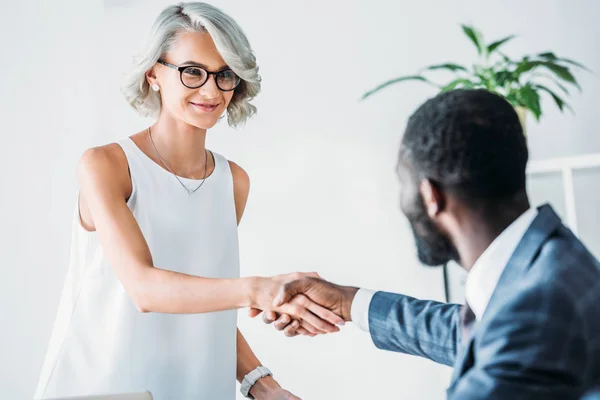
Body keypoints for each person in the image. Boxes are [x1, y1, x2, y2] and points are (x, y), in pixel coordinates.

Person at [34, 3, 343, 399]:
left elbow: (204, 304)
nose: (212, 90)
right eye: (192, 71)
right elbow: (144, 289)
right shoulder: (107, 165)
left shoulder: (233, 182)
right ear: (154, 74)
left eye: (225, 75)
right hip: (103, 389)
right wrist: (258, 289)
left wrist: (264, 387)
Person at [259, 89, 600, 398]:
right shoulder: (551, 258)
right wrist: (349, 302)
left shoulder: (535, 309)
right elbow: (475, 335)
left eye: (403, 182)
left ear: (430, 196)